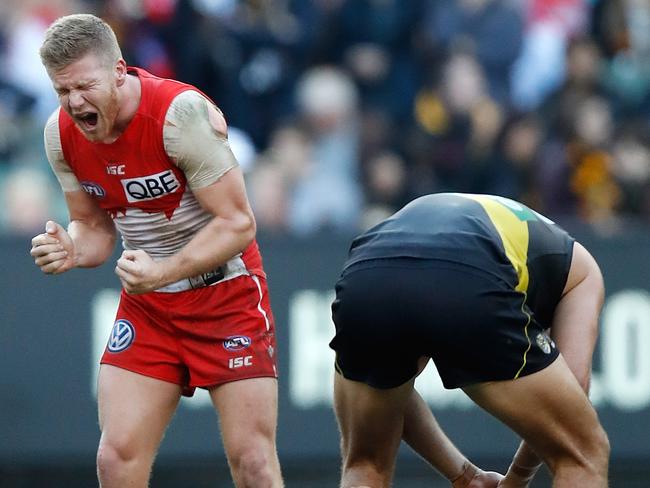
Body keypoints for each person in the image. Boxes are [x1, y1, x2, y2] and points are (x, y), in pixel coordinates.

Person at [29, 14, 283, 488]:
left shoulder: (177, 114)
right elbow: (94, 228)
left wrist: (161, 271)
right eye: (62, 92)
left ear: (120, 71)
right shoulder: (59, 134)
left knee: (252, 462)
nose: (74, 102)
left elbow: (239, 223)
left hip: (225, 293)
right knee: (115, 458)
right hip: (149, 305)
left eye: (84, 86)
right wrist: (70, 248)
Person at [329, 192, 610, 488]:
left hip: (367, 270)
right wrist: (517, 478)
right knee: (582, 453)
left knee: (365, 464)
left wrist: (464, 475)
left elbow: (390, 391)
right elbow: (573, 395)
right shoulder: (582, 273)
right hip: (467, 264)